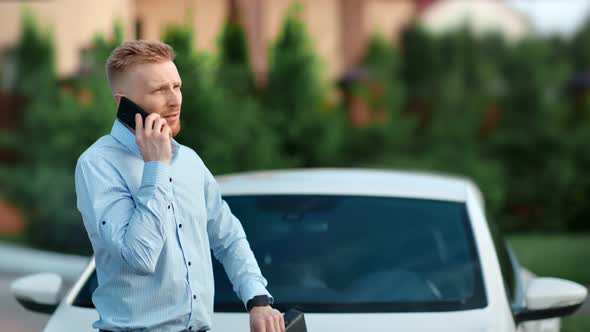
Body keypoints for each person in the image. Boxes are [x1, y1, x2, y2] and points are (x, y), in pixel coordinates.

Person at [75, 40, 284, 332]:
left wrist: (258, 300)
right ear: (124, 104)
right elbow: (138, 257)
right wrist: (156, 167)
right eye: (160, 90)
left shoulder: (190, 162)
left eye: (177, 86)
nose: (175, 101)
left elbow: (228, 236)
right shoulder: (97, 165)